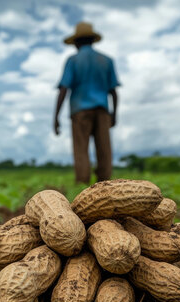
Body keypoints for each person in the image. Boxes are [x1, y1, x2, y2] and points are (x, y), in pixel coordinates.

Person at [54, 21, 120, 184]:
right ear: (92, 40)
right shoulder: (106, 60)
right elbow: (114, 92)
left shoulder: (73, 60)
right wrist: (114, 114)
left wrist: (56, 116)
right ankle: (105, 186)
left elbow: (64, 89)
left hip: (80, 110)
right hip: (103, 109)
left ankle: (82, 185)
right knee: (104, 149)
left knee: (81, 149)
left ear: (76, 42)